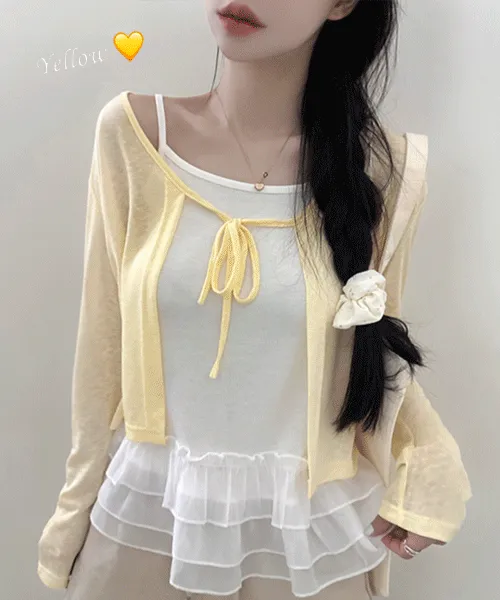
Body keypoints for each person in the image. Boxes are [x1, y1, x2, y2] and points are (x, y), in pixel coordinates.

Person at [37, 1, 472, 599]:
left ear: (343, 4)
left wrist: (430, 466)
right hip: (146, 522)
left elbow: (372, 348)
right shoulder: (134, 135)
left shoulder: (387, 173)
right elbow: (100, 350)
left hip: (305, 541)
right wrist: (71, 517)